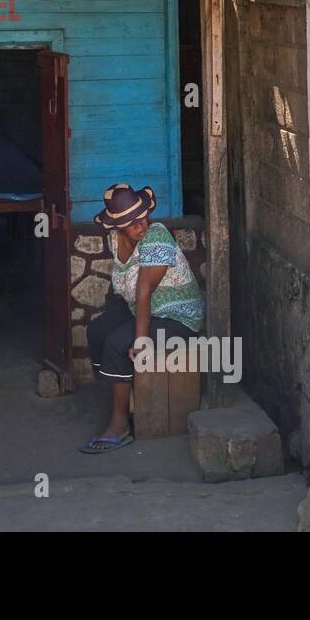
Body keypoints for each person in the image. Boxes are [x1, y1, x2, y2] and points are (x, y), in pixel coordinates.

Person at [79, 183, 205, 453]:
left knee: (117, 343)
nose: (142, 224)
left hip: (177, 317)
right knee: (98, 331)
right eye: (131, 222)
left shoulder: (156, 236)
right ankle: (124, 392)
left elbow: (144, 291)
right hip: (144, 309)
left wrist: (140, 341)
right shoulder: (115, 240)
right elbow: (129, 293)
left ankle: (120, 423)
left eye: (143, 217)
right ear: (117, 226)